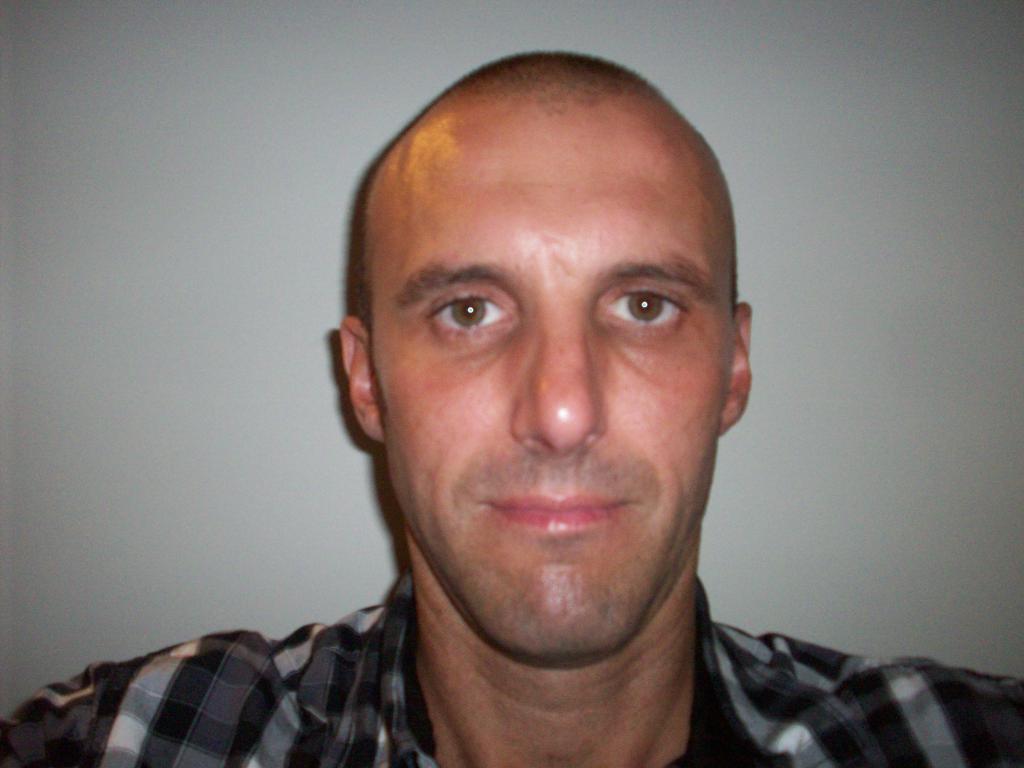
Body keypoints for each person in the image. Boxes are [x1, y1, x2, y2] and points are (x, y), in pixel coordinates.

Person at [2, 51, 1022, 768]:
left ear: (733, 368)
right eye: (469, 310)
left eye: (644, 306)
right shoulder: (136, 739)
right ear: (366, 379)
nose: (563, 413)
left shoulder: (956, 740)